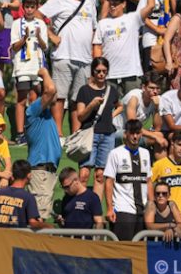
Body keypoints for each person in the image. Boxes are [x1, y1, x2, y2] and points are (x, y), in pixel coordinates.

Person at [39, 0, 97, 133]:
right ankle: (58, 133)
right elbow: (37, 15)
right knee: (59, 97)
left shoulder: (89, 3)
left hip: (85, 59)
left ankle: (76, 134)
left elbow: (93, 29)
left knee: (79, 99)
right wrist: (50, 34)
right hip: (63, 55)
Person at [92, 0, 155, 95]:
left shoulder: (132, 18)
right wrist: (97, 69)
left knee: (133, 108)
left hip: (131, 74)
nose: (112, 6)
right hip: (109, 75)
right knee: (109, 110)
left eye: (116, 3)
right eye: (111, 3)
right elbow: (97, 47)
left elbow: (150, 6)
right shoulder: (102, 23)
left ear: (124, 4)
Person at [74, 57, 123, 188]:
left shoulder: (111, 90)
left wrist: (111, 115)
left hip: (108, 135)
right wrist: (92, 105)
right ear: (93, 72)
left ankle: (95, 207)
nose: (101, 74)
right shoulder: (84, 90)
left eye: (104, 71)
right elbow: (80, 116)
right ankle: (81, 204)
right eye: (98, 71)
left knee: (101, 175)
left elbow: (120, 106)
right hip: (89, 135)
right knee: (84, 174)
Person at [103, 119, 153, 240]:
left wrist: (152, 205)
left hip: (143, 209)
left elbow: (148, 180)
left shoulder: (145, 153)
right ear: (126, 134)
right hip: (123, 209)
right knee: (123, 249)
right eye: (132, 133)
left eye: (138, 133)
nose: (135, 136)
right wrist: (110, 208)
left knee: (139, 250)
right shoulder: (115, 153)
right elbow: (109, 182)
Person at [9, 0, 48, 143]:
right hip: (22, 66)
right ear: (23, 7)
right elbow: (14, 47)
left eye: (32, 7)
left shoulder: (41, 24)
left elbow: (45, 48)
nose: (30, 10)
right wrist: (24, 38)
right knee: (21, 98)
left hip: (37, 66)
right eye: (27, 7)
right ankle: (20, 134)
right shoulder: (16, 23)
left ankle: (33, 130)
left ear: (37, 7)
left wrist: (38, 37)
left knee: (34, 98)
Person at [25, 67, 62, 221]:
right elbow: (51, 90)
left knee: (42, 215)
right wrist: (45, 72)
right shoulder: (32, 111)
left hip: (46, 173)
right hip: (41, 172)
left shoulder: (46, 116)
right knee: (38, 218)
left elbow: (53, 93)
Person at [149, 132, 181, 226]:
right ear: (172, 144)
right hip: (166, 217)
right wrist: (152, 202)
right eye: (179, 145)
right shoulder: (160, 164)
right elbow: (148, 183)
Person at [0, 160, 47, 229]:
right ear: (29, 175)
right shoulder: (28, 197)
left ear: (12, 175)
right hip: (16, 237)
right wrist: (47, 225)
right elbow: (33, 223)